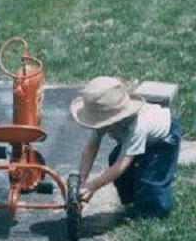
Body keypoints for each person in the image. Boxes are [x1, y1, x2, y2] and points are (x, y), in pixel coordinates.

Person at [70, 76, 181, 218]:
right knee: (114, 160)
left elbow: (122, 164)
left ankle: (154, 215)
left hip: (164, 139)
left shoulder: (138, 126)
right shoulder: (103, 118)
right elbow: (90, 148)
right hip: (142, 139)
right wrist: (83, 181)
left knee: (150, 179)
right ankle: (131, 202)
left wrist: (94, 186)